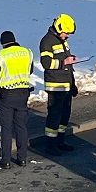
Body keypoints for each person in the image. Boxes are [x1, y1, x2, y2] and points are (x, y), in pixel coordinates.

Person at [0, 30, 35, 168]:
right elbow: (30, 70)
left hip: (6, 96)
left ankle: (5, 160)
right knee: (21, 126)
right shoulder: (27, 52)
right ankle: (22, 158)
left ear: (2, 43)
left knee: (6, 128)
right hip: (23, 94)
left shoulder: (1, 56)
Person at [39, 14, 78, 152]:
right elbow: (46, 63)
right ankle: (51, 145)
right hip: (55, 86)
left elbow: (67, 62)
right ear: (59, 28)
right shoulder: (47, 41)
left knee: (64, 115)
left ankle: (60, 141)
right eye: (66, 32)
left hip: (66, 84)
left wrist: (73, 84)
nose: (67, 36)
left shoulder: (62, 41)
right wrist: (64, 62)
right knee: (54, 116)